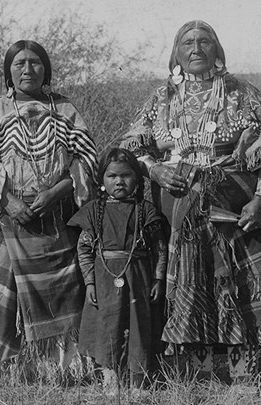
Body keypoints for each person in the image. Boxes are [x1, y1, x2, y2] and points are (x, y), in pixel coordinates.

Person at [121, 20, 261, 382]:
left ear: (217, 49)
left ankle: (242, 371)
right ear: (176, 52)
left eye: (204, 41)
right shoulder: (161, 97)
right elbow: (134, 146)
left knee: (235, 283)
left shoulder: (241, 92)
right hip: (178, 204)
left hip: (233, 201)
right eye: (187, 43)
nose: (196, 49)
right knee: (191, 284)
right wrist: (155, 170)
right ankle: (200, 373)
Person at [0, 40, 98, 378]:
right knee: (5, 288)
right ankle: (13, 365)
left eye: (35, 62)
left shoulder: (64, 109)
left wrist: (57, 191)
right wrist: (7, 200)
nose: (27, 69)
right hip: (5, 215)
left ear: (45, 68)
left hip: (54, 215)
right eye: (19, 63)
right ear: (9, 70)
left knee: (60, 287)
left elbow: (86, 161)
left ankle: (58, 366)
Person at [67, 148, 167, 396]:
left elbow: (160, 248)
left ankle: (139, 383)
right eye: (112, 176)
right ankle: (110, 380)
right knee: (107, 326)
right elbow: (84, 249)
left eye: (126, 175)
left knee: (138, 326)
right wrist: (90, 283)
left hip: (140, 278)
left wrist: (158, 278)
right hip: (104, 280)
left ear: (137, 178)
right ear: (101, 180)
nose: (119, 181)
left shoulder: (146, 210)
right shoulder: (94, 211)